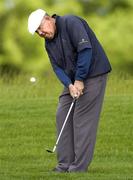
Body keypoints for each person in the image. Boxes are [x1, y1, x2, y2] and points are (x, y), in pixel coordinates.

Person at [28, 9, 112, 173]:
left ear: (48, 19)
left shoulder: (70, 22)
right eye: (37, 32)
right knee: (62, 113)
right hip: (74, 80)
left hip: (94, 74)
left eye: (40, 27)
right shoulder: (48, 42)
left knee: (82, 120)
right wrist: (70, 85)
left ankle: (78, 168)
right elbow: (57, 67)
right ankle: (64, 165)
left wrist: (80, 79)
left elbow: (85, 50)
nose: (41, 33)